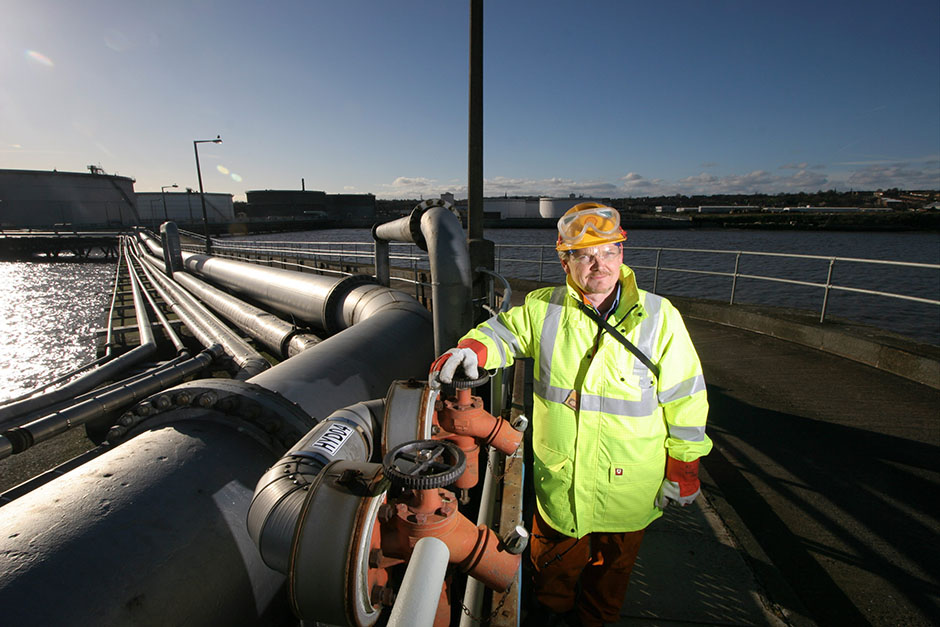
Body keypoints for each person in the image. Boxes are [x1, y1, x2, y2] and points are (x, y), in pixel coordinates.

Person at [429, 203, 712, 627]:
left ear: (622, 253)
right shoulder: (544, 309)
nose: (599, 264)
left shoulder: (660, 317)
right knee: (552, 575)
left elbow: (687, 400)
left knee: (610, 583)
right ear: (565, 261)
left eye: (609, 251)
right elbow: (504, 333)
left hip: (630, 486)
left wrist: (684, 467)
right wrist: (473, 348)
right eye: (584, 254)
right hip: (562, 484)